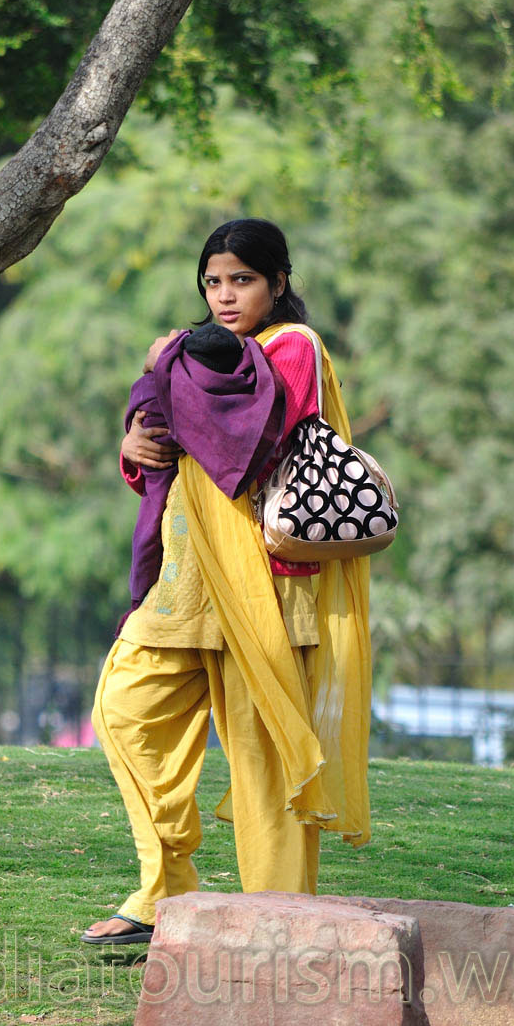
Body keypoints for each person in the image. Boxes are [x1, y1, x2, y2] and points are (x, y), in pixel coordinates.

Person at [82, 219, 371, 946]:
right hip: (185, 586)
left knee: (266, 772)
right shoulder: (206, 354)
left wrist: (167, 357)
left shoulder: (291, 348)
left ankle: (274, 929)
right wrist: (134, 440)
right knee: (124, 712)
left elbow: (247, 425)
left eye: (240, 279)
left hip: (266, 591)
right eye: (212, 282)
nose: (223, 295)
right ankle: (166, 889)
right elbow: (175, 442)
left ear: (278, 282)